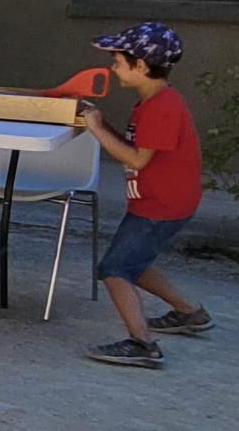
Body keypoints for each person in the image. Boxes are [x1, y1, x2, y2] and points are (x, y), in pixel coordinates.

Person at [80, 22, 212, 369]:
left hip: (161, 206)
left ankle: (143, 344)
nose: (113, 68)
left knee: (114, 268)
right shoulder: (153, 102)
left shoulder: (162, 107)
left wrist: (96, 130)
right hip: (158, 202)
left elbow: (137, 159)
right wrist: (101, 124)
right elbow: (136, 148)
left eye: (118, 62)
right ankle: (190, 313)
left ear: (140, 66)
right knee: (133, 264)